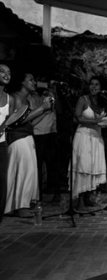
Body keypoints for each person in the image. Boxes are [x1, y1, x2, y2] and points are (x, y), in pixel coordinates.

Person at [5, 71, 53, 217]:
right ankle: (21, 206)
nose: (34, 82)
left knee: (27, 172)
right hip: (18, 139)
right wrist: (41, 108)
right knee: (24, 172)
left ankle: (20, 204)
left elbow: (30, 123)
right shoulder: (15, 97)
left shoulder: (27, 100)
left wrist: (44, 112)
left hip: (27, 136)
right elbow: (16, 121)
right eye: (31, 80)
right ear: (22, 83)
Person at [70, 76, 107, 209]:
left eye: (97, 84)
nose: (94, 87)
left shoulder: (101, 102)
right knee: (83, 166)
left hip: (96, 136)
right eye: (92, 84)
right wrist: (95, 122)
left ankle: (88, 196)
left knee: (92, 166)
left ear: (101, 87)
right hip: (83, 136)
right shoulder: (83, 99)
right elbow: (77, 117)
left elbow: (102, 119)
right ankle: (79, 198)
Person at [28, 85, 59, 202]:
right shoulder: (32, 97)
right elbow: (32, 119)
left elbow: (58, 110)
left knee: (53, 165)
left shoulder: (50, 94)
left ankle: (56, 193)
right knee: (38, 166)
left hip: (51, 132)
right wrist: (45, 110)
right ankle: (38, 196)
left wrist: (53, 94)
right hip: (38, 134)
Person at [0, 64, 14, 222]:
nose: (6, 74)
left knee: (2, 184)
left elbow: (9, 121)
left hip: (1, 145)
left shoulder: (10, 98)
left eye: (9, 72)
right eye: (2, 71)